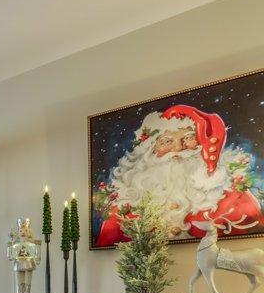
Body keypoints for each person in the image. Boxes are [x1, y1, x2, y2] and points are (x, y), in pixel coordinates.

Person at [94, 105, 262, 247]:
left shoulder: (229, 191)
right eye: (166, 141)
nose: (178, 149)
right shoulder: (126, 202)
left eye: (188, 138)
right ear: (148, 150)